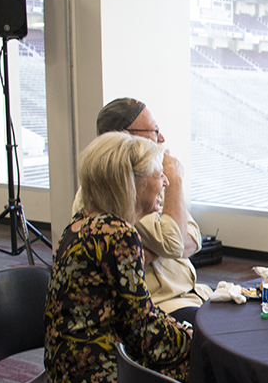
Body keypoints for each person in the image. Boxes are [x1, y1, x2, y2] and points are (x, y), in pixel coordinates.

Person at [46, 133, 192, 383]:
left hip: (66, 371)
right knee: (204, 366)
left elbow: (135, 314)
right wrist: (191, 341)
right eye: (159, 175)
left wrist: (179, 332)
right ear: (131, 182)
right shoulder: (117, 235)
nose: (166, 182)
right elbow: (141, 327)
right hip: (95, 376)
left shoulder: (81, 222)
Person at [77, 97, 213, 325]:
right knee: (222, 341)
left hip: (191, 293)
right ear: (124, 137)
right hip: (164, 305)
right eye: (154, 131)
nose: (161, 139)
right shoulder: (118, 192)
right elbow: (175, 243)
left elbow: (193, 238)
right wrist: (176, 179)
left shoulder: (146, 182)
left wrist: (149, 251)